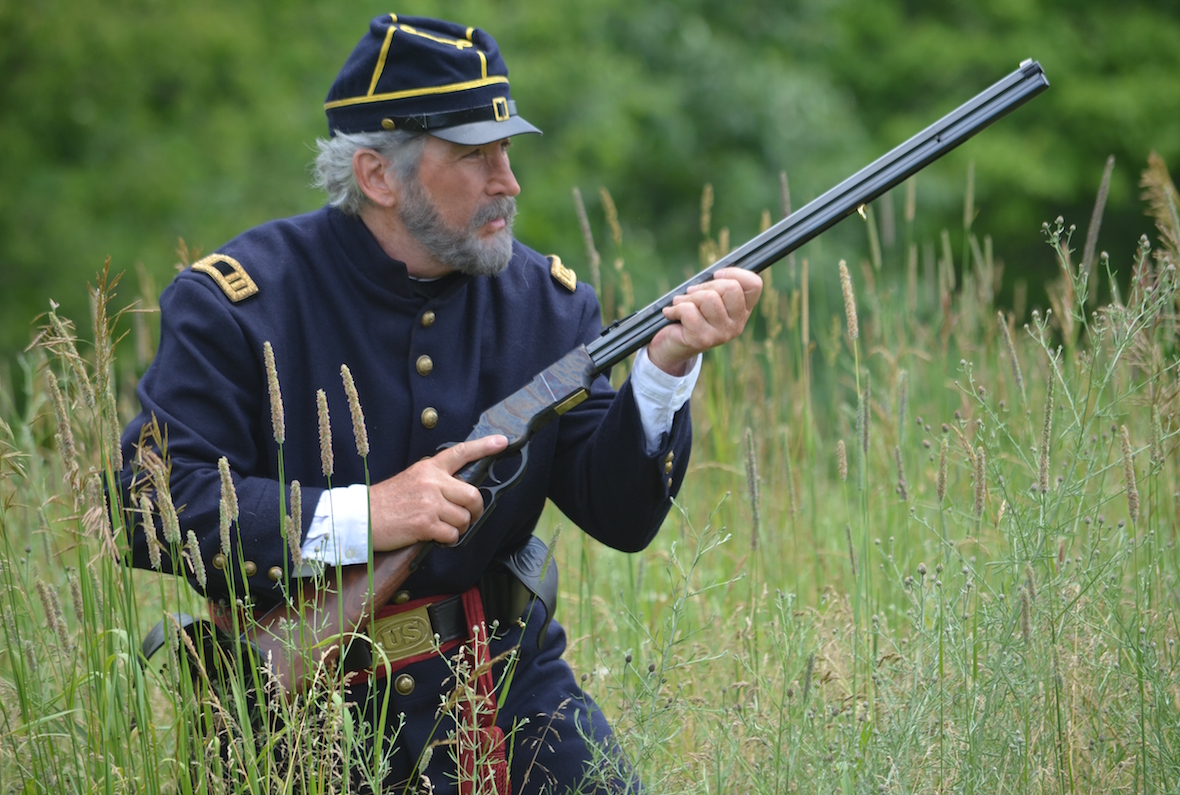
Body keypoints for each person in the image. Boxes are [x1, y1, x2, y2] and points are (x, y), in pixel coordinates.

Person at [119, 14, 761, 794]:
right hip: (298, 707)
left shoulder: (547, 304)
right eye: (474, 156)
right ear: (377, 176)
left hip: (503, 676)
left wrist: (666, 369)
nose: (508, 181)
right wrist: (367, 514)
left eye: (508, 150)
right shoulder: (236, 304)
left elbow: (621, 516)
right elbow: (153, 505)